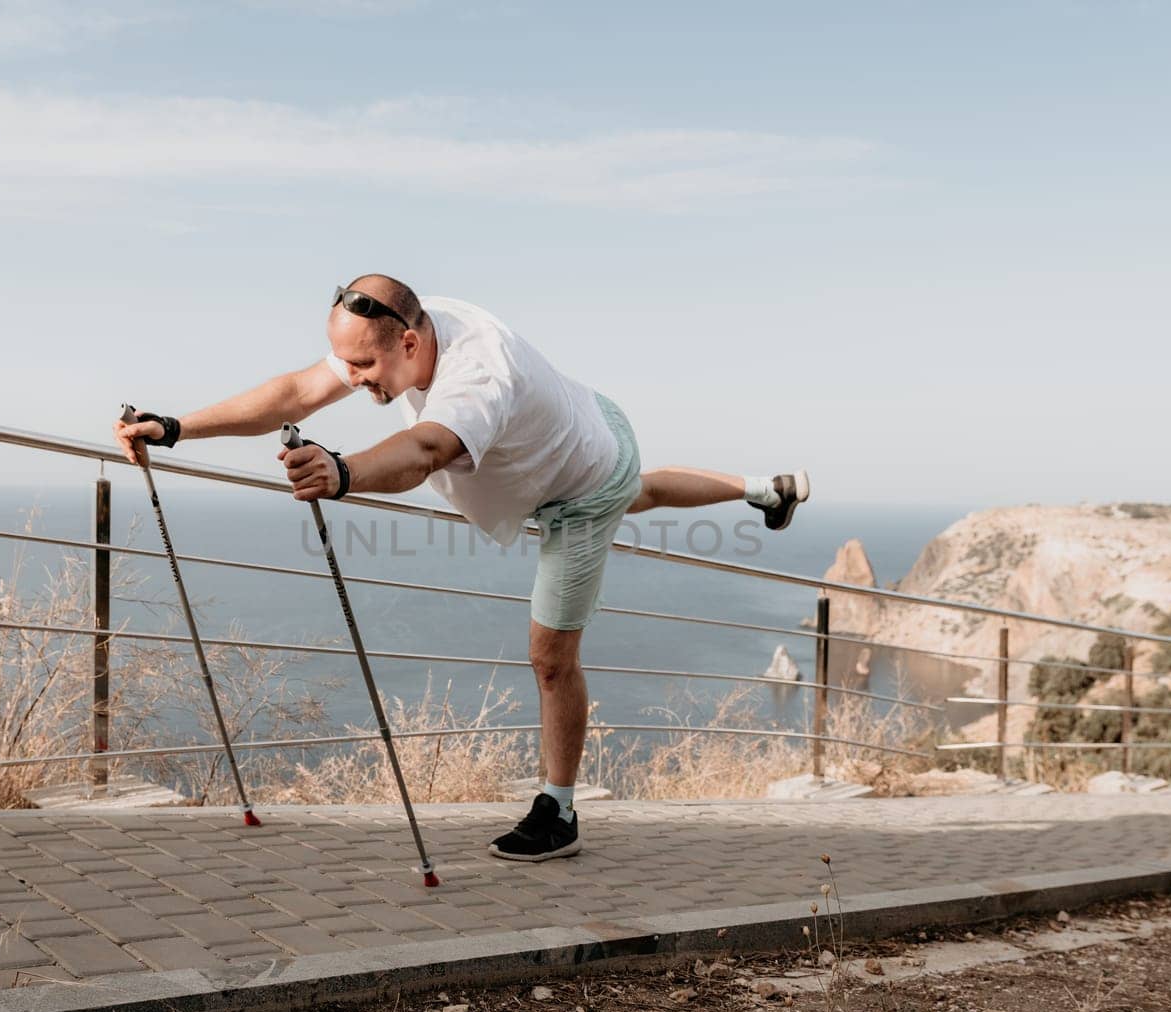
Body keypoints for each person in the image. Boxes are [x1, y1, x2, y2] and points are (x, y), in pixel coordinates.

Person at [114, 274, 809, 862]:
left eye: (363, 369)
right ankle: (762, 487)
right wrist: (174, 427)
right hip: (589, 425)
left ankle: (559, 811)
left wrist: (343, 469)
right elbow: (296, 392)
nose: (352, 381)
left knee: (550, 657)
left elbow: (422, 451)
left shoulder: (478, 375)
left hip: (579, 490)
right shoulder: (396, 325)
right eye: (347, 366)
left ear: (409, 344)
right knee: (645, 488)